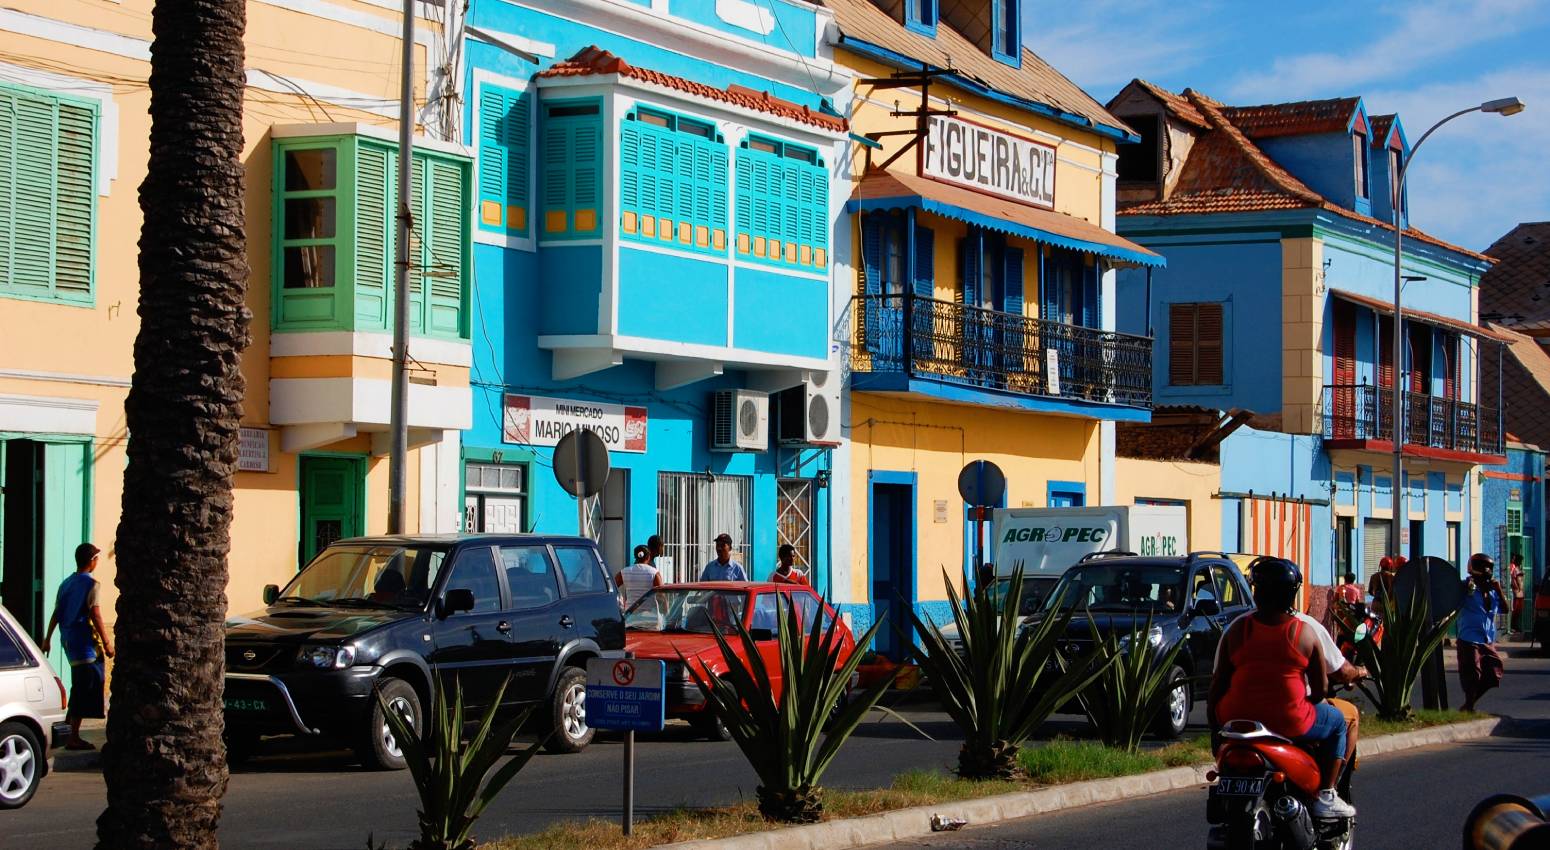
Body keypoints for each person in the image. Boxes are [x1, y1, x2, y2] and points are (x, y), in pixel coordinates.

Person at [1208, 557, 1355, 819]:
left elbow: (1218, 685)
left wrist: (1216, 728)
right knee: (1338, 723)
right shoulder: (1304, 633)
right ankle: (1326, 795)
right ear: (1291, 594)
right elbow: (1321, 690)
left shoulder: (1237, 630)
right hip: (1289, 722)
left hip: (1235, 721)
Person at [40, 542, 113, 750]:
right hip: (85, 644)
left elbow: (56, 613)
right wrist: (107, 642)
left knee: (79, 685)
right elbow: (95, 614)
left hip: (69, 641)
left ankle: (71, 731)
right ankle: (72, 735)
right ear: (92, 562)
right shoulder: (91, 585)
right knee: (85, 687)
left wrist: (48, 638)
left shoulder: (66, 583)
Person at [1457, 553, 1506, 713]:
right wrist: (1468, 585)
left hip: (1487, 638)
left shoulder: (1492, 592)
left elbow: (1505, 609)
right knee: (1473, 674)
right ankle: (1469, 705)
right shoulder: (1467, 587)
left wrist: (1499, 591)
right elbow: (1454, 596)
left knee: (1494, 672)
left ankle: (1470, 703)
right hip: (1469, 637)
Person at [615, 544, 663, 611]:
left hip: (630, 616)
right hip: (650, 616)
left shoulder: (624, 572)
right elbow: (661, 596)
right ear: (648, 557)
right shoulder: (654, 573)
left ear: (635, 556)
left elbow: (612, 586)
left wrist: (620, 600)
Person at [1508, 553, 1525, 636]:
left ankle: (1515, 626)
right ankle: (1513, 626)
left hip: (1520, 593)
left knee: (1518, 611)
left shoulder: (1517, 569)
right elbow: (1514, 580)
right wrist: (1517, 588)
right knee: (1515, 610)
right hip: (1517, 593)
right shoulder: (1515, 569)